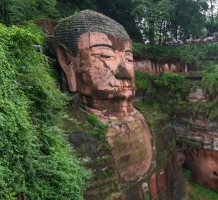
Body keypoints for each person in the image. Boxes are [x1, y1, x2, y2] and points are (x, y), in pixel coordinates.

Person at [54, 10, 152, 182]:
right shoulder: (68, 140)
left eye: (129, 59)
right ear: (67, 61)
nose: (124, 73)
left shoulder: (154, 122)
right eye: (105, 55)